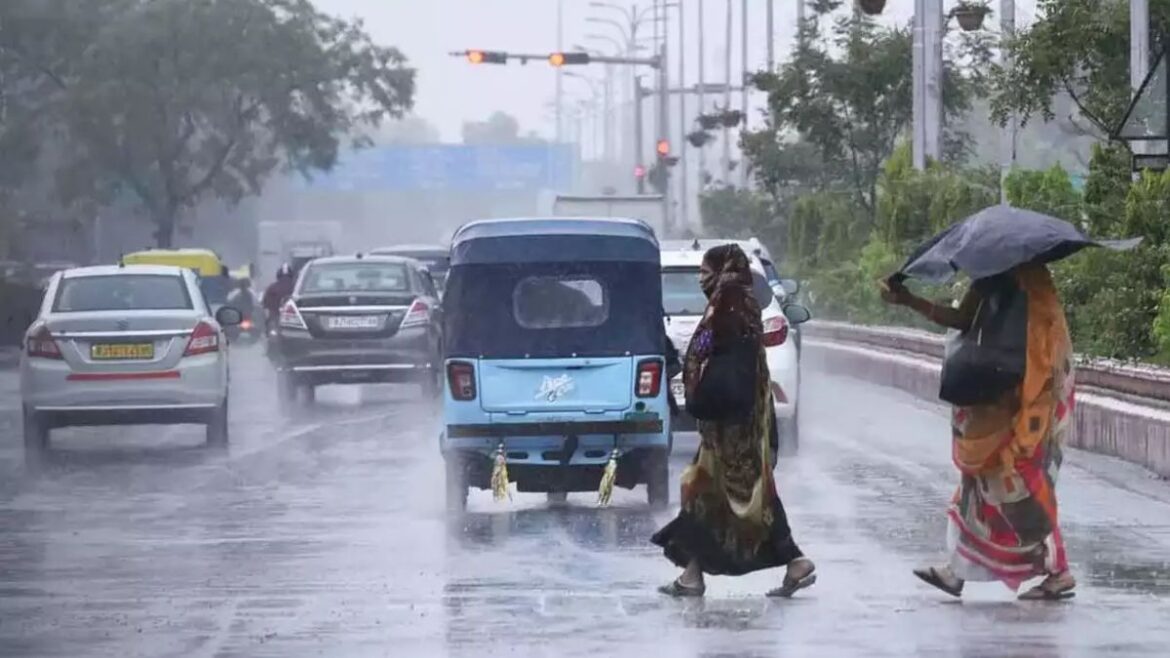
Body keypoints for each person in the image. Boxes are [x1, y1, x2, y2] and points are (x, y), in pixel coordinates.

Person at [880, 262, 1076, 600]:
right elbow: (961, 320)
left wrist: (1026, 400)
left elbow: (1046, 351)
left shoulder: (1034, 286)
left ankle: (1059, 570)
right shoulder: (988, 278)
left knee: (1026, 487)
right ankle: (956, 570)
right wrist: (909, 300)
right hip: (991, 402)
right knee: (976, 485)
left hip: (1029, 405)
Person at [651, 244, 816, 598]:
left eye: (706, 270)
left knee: (715, 491)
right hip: (747, 418)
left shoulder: (725, 306)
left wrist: (692, 367)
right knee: (734, 493)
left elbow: (702, 347)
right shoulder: (748, 304)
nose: (701, 278)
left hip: (729, 425)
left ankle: (700, 575)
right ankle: (699, 574)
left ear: (723, 270)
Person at [262, 264, 295, 330]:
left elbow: (264, 303)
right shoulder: (296, 287)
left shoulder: (272, 287)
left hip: (276, 317)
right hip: (292, 318)